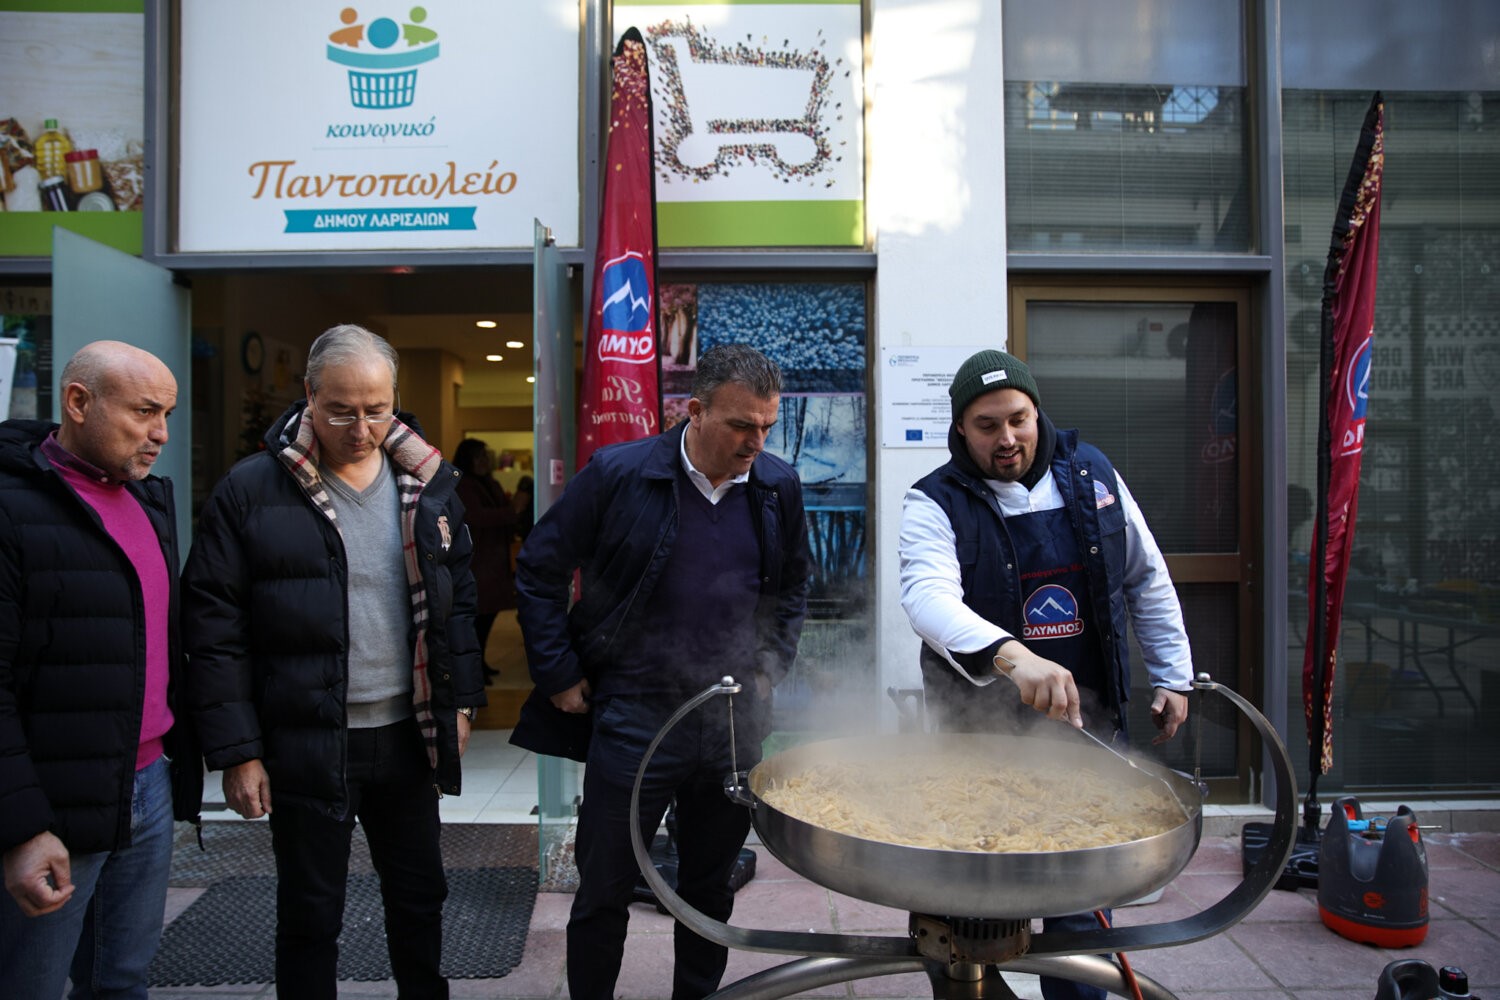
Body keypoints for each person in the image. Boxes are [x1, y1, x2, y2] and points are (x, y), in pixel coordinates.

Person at [182, 324, 483, 1000]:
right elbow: (214, 627)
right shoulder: (250, 491)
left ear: (394, 399)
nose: (362, 426)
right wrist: (237, 750)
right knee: (310, 911)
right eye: (342, 408)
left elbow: (458, 605)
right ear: (309, 396)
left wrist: (459, 702)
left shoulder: (428, 484)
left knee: (420, 896)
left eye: (377, 408)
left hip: (406, 735)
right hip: (307, 738)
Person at [513, 343, 811, 1000]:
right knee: (606, 886)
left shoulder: (776, 486)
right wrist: (559, 672)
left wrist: (769, 667)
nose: (755, 441)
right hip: (634, 714)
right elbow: (538, 569)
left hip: (732, 720)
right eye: (740, 424)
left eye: (767, 425)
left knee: (708, 890)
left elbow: (793, 588)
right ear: (694, 410)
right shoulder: (620, 475)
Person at [899, 348, 1194, 1000]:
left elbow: (1146, 577)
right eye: (986, 425)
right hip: (977, 752)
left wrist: (1175, 675)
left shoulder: (1094, 477)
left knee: (1081, 920)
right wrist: (1014, 656)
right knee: (969, 921)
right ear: (960, 430)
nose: (1007, 439)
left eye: (1019, 419)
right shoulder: (932, 503)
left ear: (1038, 413)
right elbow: (928, 600)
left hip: (1084, 740)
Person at [0, 341, 202, 1000]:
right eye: (145, 411)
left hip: (147, 786)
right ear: (78, 402)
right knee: (29, 983)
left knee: (121, 979)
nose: (160, 435)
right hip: (54, 803)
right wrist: (23, 829)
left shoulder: (147, 500)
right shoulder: (14, 505)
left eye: (167, 414)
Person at [452, 439, 528, 682]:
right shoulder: (463, 484)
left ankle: (479, 665)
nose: (484, 461)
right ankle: (472, 670)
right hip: (478, 561)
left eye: (486, 456)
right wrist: (513, 510)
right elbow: (477, 517)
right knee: (475, 619)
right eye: (478, 457)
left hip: (494, 559)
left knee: (486, 619)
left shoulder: (490, 483)